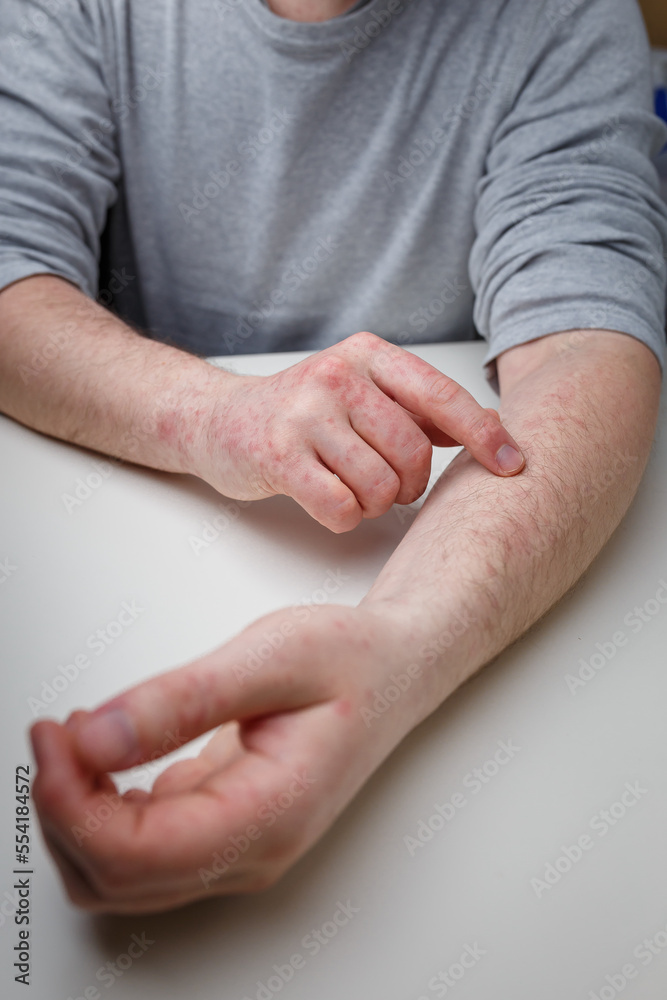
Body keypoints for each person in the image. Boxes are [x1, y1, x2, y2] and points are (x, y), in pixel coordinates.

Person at [1, 0, 665, 914]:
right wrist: (215, 414)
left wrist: (394, 650)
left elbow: (584, 341)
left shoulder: (566, 18)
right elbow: (12, 269)